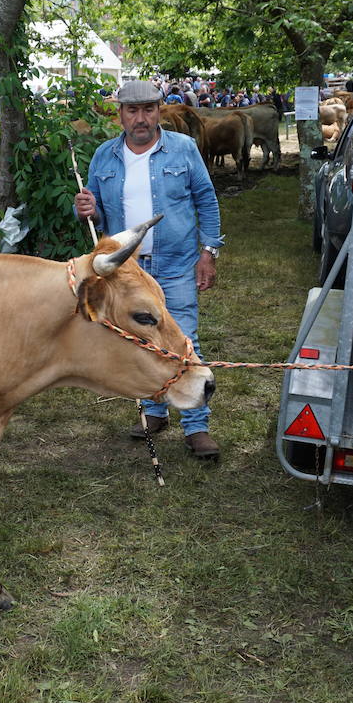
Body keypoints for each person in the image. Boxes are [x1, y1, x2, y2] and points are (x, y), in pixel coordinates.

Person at [73, 80, 224, 461]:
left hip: (176, 264)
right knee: (139, 339)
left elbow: (206, 200)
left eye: (148, 110)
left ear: (159, 110)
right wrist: (86, 209)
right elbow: (101, 218)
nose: (141, 118)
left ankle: (197, 426)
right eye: (132, 111)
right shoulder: (103, 157)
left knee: (182, 337)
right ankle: (155, 412)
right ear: (121, 114)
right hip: (131, 272)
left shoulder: (183, 149)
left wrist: (208, 252)